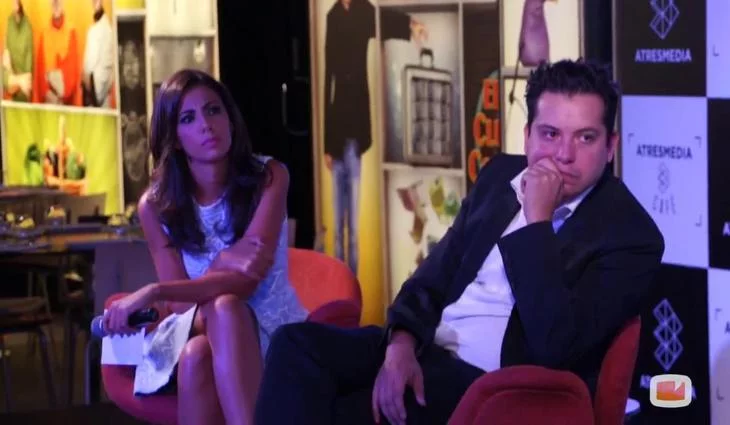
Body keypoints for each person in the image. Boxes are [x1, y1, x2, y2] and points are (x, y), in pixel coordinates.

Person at [254, 59, 665, 425]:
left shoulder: (631, 236)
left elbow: (556, 347)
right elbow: (433, 276)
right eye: (550, 134)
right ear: (527, 136)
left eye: (585, 138)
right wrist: (400, 345)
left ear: (611, 146)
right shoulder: (499, 176)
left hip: (497, 383)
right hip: (428, 347)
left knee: (341, 412)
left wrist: (536, 222)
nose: (564, 154)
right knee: (295, 347)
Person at [103, 69, 309, 425]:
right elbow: (182, 306)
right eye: (188, 118)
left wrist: (156, 290)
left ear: (230, 117)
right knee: (221, 313)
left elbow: (247, 280)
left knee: (201, 347)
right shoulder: (155, 205)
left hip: (273, 334)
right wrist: (219, 272)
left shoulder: (270, 176)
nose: (206, 125)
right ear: (174, 138)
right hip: (200, 323)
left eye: (213, 110)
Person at [323, 0, 426, 273]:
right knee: (338, 225)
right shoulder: (333, 16)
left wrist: (410, 24)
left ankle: (352, 282)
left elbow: (385, 20)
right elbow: (327, 77)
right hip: (336, 130)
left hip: (356, 127)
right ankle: (338, 280)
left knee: (353, 227)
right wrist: (325, 145)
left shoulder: (364, 11)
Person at [33, 0, 81, 105]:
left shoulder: (71, 32)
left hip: (66, 100)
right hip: (48, 100)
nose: (56, 4)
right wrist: (47, 93)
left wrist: (62, 94)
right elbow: (39, 72)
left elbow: (74, 72)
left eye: (58, 2)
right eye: (53, 2)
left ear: (63, 4)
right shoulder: (44, 34)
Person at [82, 0, 115, 107]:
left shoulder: (96, 31)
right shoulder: (109, 29)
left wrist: (86, 76)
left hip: (95, 88)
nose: (94, 4)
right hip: (104, 92)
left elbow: (90, 64)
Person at [2, 0, 33, 102]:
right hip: (11, 77)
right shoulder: (9, 22)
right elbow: (6, 57)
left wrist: (26, 77)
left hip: (21, 80)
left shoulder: (27, 26)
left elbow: (29, 56)